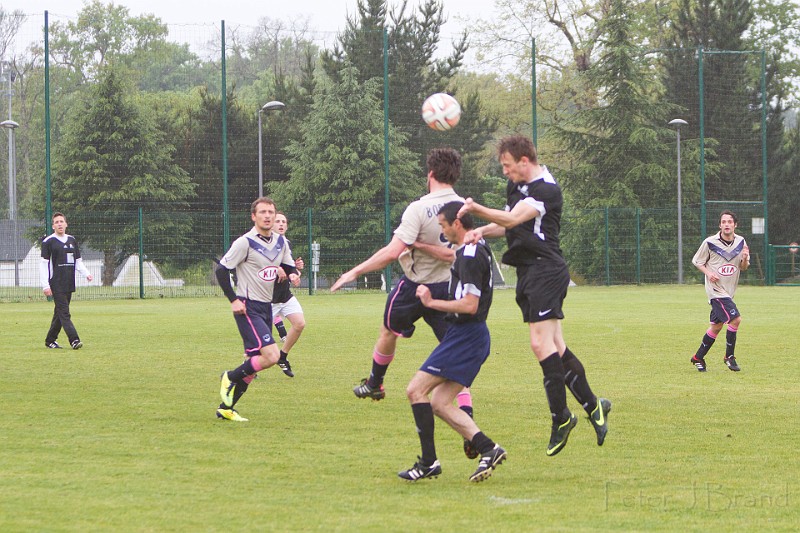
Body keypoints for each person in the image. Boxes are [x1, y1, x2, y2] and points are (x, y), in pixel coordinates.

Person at [458, 135, 611, 457]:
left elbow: (513, 219)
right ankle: (594, 405)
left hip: (546, 270)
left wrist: (474, 209)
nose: (505, 172)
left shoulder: (547, 189)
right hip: (528, 272)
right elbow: (508, 226)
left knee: (540, 344)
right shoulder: (517, 186)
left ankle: (561, 417)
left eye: (507, 166)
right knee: (556, 346)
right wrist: (480, 230)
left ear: (524, 161)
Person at [330, 147, 479, 458]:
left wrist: (354, 271)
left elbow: (391, 251)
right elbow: (459, 253)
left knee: (388, 330)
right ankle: (468, 418)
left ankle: (376, 383)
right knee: (454, 358)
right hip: (449, 290)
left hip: (414, 288)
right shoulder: (464, 209)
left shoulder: (419, 209)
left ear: (430, 175)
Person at [399, 201, 506, 483]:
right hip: (469, 335)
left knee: (415, 390)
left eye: (444, 226)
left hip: (466, 335)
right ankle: (488, 448)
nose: (443, 232)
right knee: (440, 403)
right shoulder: (470, 249)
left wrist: (431, 302)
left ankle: (428, 462)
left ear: (457, 224)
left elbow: (470, 305)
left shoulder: (470, 255)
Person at [215, 197, 299, 422]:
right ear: (254, 216)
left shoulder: (281, 242)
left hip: (266, 307)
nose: (268, 216)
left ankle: (226, 408)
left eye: (271, 212)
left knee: (252, 366)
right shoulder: (245, 242)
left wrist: (292, 273)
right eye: (262, 212)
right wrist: (233, 299)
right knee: (272, 356)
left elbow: (289, 265)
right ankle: (229, 376)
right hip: (247, 307)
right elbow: (222, 271)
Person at [690, 210, 750, 372]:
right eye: (723, 222)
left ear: (735, 225)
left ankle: (698, 357)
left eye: (730, 222)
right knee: (736, 320)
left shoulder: (741, 242)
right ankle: (729, 357)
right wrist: (709, 273)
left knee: (716, 328)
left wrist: (744, 258)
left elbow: (743, 268)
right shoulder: (710, 242)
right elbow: (697, 261)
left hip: (728, 291)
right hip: (716, 292)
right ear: (720, 225)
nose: (727, 225)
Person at [40, 212, 93, 350]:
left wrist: (86, 273)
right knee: (64, 313)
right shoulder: (48, 242)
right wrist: (45, 285)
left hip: (69, 282)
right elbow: (44, 265)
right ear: (53, 226)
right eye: (56, 222)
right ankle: (74, 340)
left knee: (59, 312)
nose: (59, 224)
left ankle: (50, 340)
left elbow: (78, 261)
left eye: (61, 221)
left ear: (66, 224)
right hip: (56, 283)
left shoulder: (72, 240)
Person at [271, 212, 306, 378]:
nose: (281, 224)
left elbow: (289, 268)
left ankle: (282, 357)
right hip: (266, 298)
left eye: (284, 222)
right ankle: (246, 367)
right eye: (277, 221)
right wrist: (275, 268)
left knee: (299, 324)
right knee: (258, 342)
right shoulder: (262, 244)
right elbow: (257, 267)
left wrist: (295, 271)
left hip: (284, 295)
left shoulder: (286, 243)